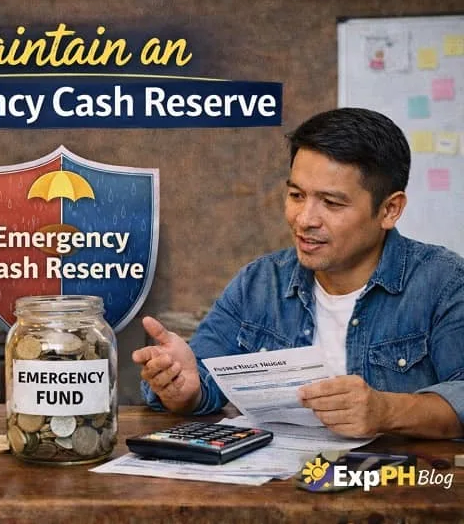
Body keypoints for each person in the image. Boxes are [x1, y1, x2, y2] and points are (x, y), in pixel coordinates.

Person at [133, 107, 464, 439]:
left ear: (389, 209)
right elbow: (200, 382)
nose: (305, 219)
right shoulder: (259, 284)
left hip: (403, 485)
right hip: (280, 486)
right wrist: (184, 390)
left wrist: (386, 411)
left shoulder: (443, 282)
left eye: (332, 203)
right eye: (296, 195)